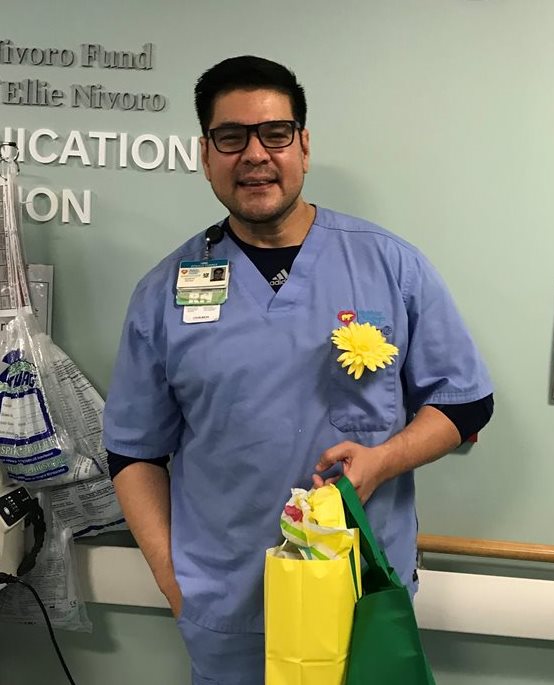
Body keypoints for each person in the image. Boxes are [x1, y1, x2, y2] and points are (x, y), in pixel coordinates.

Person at [103, 55, 494, 685]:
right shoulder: (164, 292)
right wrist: (180, 588)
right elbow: (133, 452)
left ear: (303, 146)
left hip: (359, 595)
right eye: (231, 137)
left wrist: (383, 462)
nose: (255, 154)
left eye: (275, 133)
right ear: (206, 154)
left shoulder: (389, 265)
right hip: (228, 608)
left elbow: (466, 404)